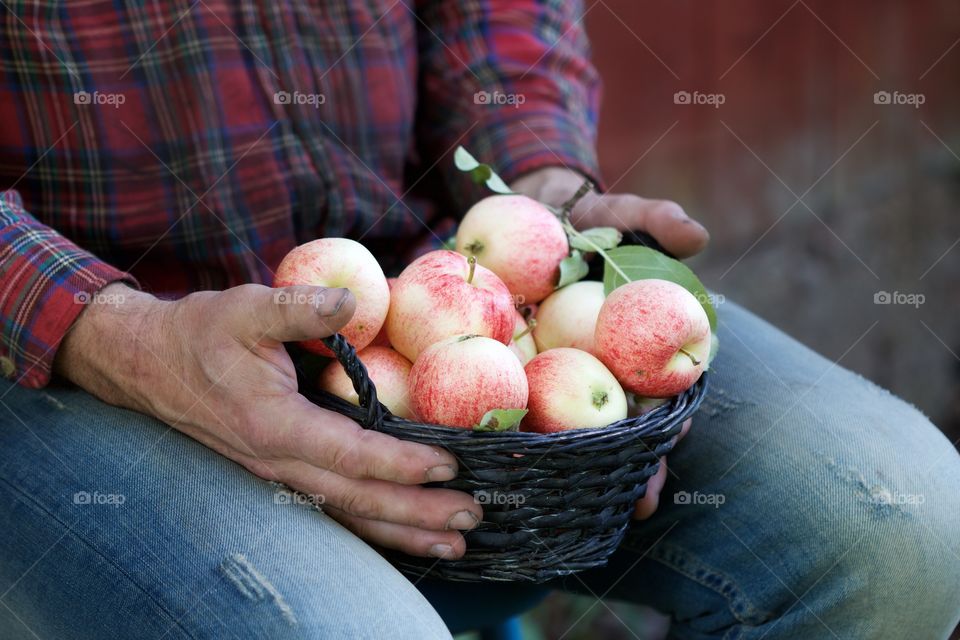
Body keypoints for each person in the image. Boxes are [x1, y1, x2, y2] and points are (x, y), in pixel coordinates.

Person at [0, 2, 957, 638]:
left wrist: (533, 178)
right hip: (71, 348)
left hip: (439, 270)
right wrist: (111, 332)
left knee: (899, 523)